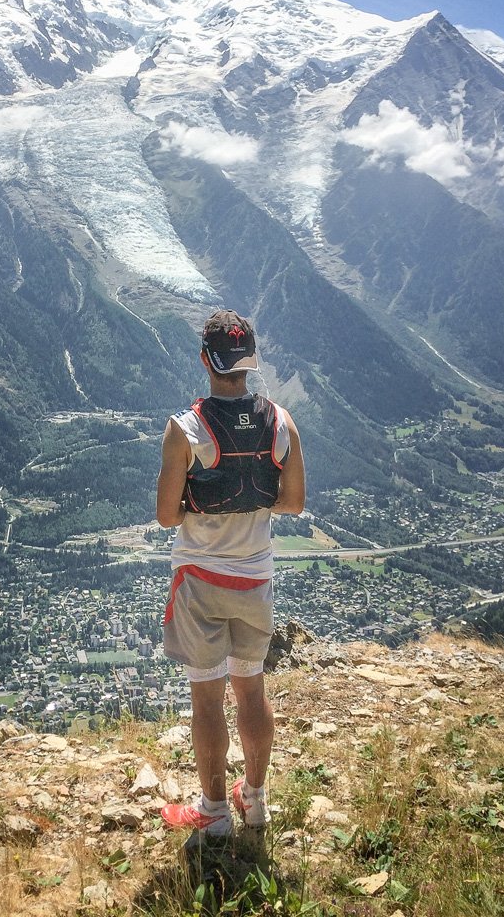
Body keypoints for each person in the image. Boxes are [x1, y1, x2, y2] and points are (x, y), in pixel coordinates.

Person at [157, 309, 305, 837]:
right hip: (255, 577)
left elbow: (167, 515)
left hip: (201, 580)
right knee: (251, 690)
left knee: (206, 698)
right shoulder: (281, 422)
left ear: (205, 359)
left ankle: (214, 812)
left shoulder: (186, 428)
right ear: (251, 361)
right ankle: (257, 801)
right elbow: (293, 503)